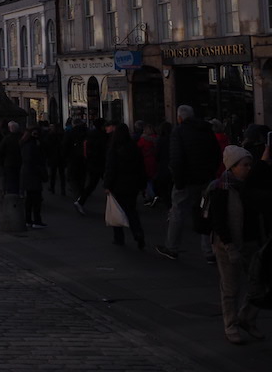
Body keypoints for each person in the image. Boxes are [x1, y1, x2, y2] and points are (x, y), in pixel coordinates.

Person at [208, 144, 272, 343]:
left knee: (259, 285)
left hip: (252, 242)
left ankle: (247, 317)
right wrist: (229, 246)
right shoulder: (221, 188)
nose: (248, 168)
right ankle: (231, 324)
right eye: (245, 165)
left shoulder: (249, 187)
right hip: (228, 243)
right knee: (230, 287)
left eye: (250, 164)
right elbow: (218, 221)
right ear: (232, 167)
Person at [156, 104, 221, 262]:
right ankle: (208, 251)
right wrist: (210, 173)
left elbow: (177, 158)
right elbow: (216, 153)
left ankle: (172, 247)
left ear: (179, 117)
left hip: (186, 180)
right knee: (205, 212)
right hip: (205, 179)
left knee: (178, 212)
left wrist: (178, 181)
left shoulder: (179, 131)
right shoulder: (206, 129)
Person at [104, 123, 147, 249]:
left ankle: (119, 237)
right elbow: (141, 167)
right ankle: (138, 233)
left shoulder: (114, 148)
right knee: (131, 210)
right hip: (132, 184)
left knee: (117, 210)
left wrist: (107, 184)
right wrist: (142, 183)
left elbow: (110, 168)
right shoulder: (134, 147)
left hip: (118, 184)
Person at [74, 119, 111, 214]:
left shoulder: (90, 134)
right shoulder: (102, 135)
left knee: (92, 184)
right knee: (107, 183)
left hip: (92, 163)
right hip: (100, 163)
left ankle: (80, 201)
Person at [20, 126, 47, 229]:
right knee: (36, 199)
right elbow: (36, 161)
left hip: (27, 173)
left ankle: (29, 220)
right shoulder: (33, 145)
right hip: (33, 174)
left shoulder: (25, 144)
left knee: (30, 199)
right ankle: (36, 220)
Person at [0, 121, 22, 195]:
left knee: (10, 179)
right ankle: (19, 193)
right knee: (18, 178)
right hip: (19, 161)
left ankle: (12, 194)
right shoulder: (21, 138)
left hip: (9, 162)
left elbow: (0, 151)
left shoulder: (7, 138)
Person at [43, 122, 66, 196]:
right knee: (62, 174)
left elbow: (46, 147)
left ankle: (52, 188)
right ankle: (63, 190)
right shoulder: (62, 135)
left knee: (53, 174)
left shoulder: (49, 136)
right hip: (61, 157)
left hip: (53, 157)